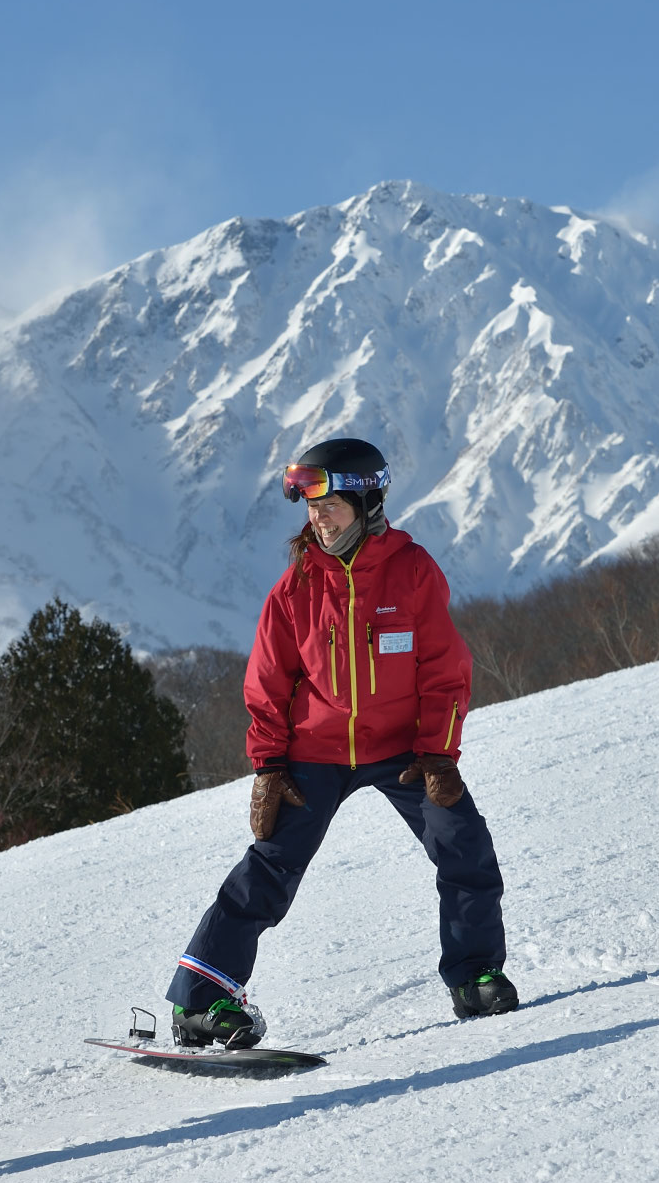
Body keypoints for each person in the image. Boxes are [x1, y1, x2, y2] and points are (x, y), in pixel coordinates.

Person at [166, 438, 516, 1048]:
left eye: (329, 505)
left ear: (367, 501)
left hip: (405, 751)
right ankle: (199, 1002)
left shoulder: (412, 571)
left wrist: (438, 753)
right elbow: (267, 683)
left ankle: (475, 976)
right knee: (271, 867)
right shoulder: (296, 587)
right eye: (311, 506)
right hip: (315, 752)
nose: (318, 518)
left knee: (463, 843)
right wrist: (269, 766)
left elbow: (444, 668)